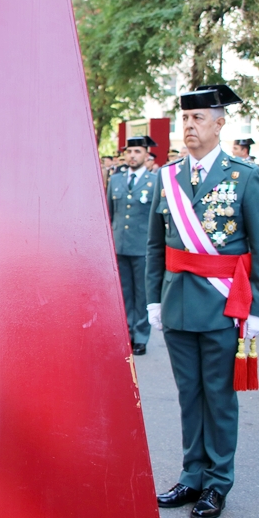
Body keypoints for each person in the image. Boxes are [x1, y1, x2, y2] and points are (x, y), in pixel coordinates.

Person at [147, 84, 259, 518]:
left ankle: (218, 483)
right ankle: (191, 474)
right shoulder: (168, 176)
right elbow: (155, 247)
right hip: (178, 302)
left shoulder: (244, 176)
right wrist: (152, 301)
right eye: (185, 119)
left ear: (220, 124)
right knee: (189, 395)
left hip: (224, 305)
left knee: (219, 397)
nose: (189, 126)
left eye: (198, 118)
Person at [107, 135, 157, 356]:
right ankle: (125, 331)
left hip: (142, 247)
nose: (132, 156)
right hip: (120, 246)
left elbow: (157, 219)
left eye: (137, 152)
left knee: (142, 294)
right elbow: (109, 214)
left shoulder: (154, 182)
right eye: (129, 152)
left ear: (146, 155)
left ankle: (141, 335)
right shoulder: (116, 180)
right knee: (123, 292)